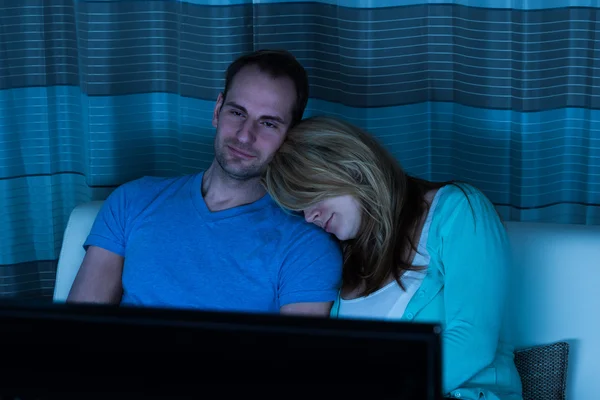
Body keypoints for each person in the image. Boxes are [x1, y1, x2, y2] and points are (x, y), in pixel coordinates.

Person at [262, 116, 523, 399]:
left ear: (350, 169)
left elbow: (473, 342)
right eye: (299, 208)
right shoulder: (337, 256)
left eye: (310, 197)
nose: (309, 217)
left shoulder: (458, 210)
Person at [66, 50, 343, 316]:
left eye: (268, 123)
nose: (245, 136)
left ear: (290, 136)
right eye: (237, 113)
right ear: (217, 111)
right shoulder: (132, 200)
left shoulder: (307, 246)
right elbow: (79, 329)